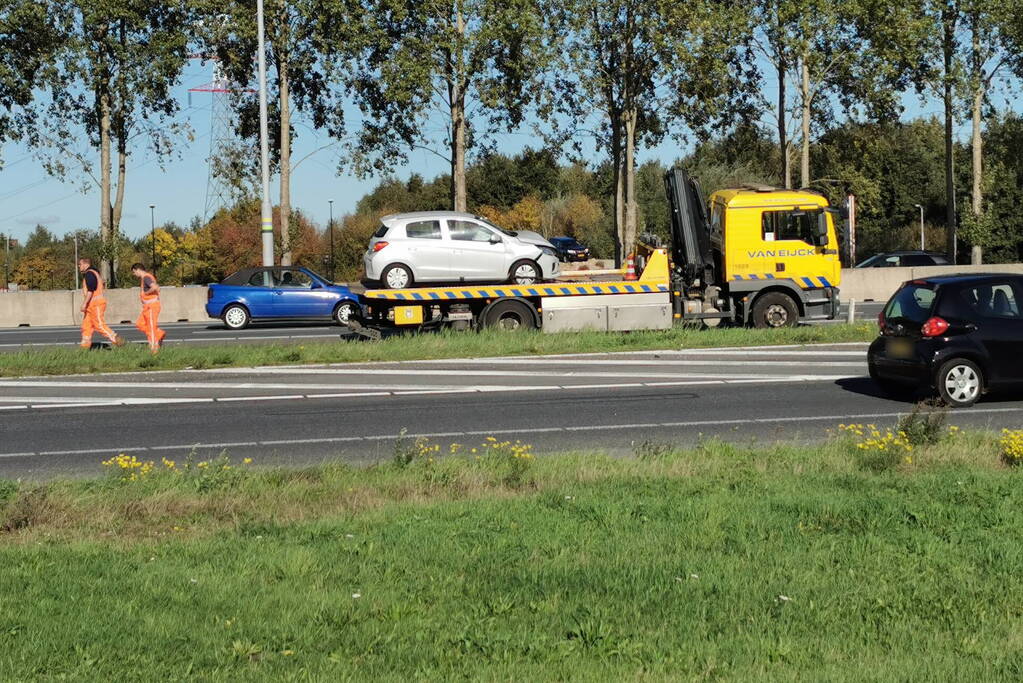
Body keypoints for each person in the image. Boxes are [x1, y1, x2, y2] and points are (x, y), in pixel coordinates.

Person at [78, 258, 123, 348]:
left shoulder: (89, 274)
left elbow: (91, 290)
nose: (79, 267)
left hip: (96, 304)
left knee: (99, 324)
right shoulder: (94, 273)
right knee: (86, 326)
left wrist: (84, 303)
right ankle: (84, 347)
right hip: (91, 306)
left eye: (80, 265)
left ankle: (116, 339)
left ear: (85, 264)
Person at [131, 263, 166, 352]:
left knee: (151, 327)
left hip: (151, 306)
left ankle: (154, 348)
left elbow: (156, 288)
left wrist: (147, 293)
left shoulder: (146, 277)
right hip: (147, 307)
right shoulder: (145, 278)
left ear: (137, 270)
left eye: (134, 272)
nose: (134, 275)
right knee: (140, 324)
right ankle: (159, 333)